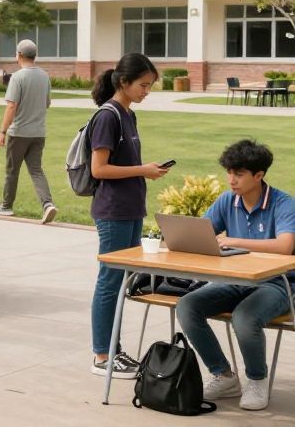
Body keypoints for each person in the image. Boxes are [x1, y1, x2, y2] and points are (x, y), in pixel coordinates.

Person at [176, 140, 295, 411]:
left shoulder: (284, 203)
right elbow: (205, 233)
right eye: (229, 172)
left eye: (238, 174)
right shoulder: (227, 200)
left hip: (278, 283)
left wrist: (232, 240)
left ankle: (256, 380)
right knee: (187, 305)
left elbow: (284, 246)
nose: (231, 180)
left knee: (245, 316)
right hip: (235, 280)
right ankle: (224, 375)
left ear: (259, 175)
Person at [88, 53, 168, 380]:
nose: (147, 91)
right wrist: (143, 170)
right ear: (123, 82)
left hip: (130, 208)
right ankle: (103, 354)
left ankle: (114, 351)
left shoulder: (128, 115)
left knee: (121, 282)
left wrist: (144, 171)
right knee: (110, 281)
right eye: (143, 85)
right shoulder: (108, 117)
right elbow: (99, 168)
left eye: (150, 86)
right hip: (114, 212)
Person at [0, 39, 57, 224]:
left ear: (18, 54)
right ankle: (47, 204)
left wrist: (2, 131)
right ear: (34, 55)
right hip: (38, 132)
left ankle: (6, 206)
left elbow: (11, 106)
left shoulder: (18, 77)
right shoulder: (44, 76)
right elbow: (47, 103)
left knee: (12, 170)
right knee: (36, 170)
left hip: (18, 132)